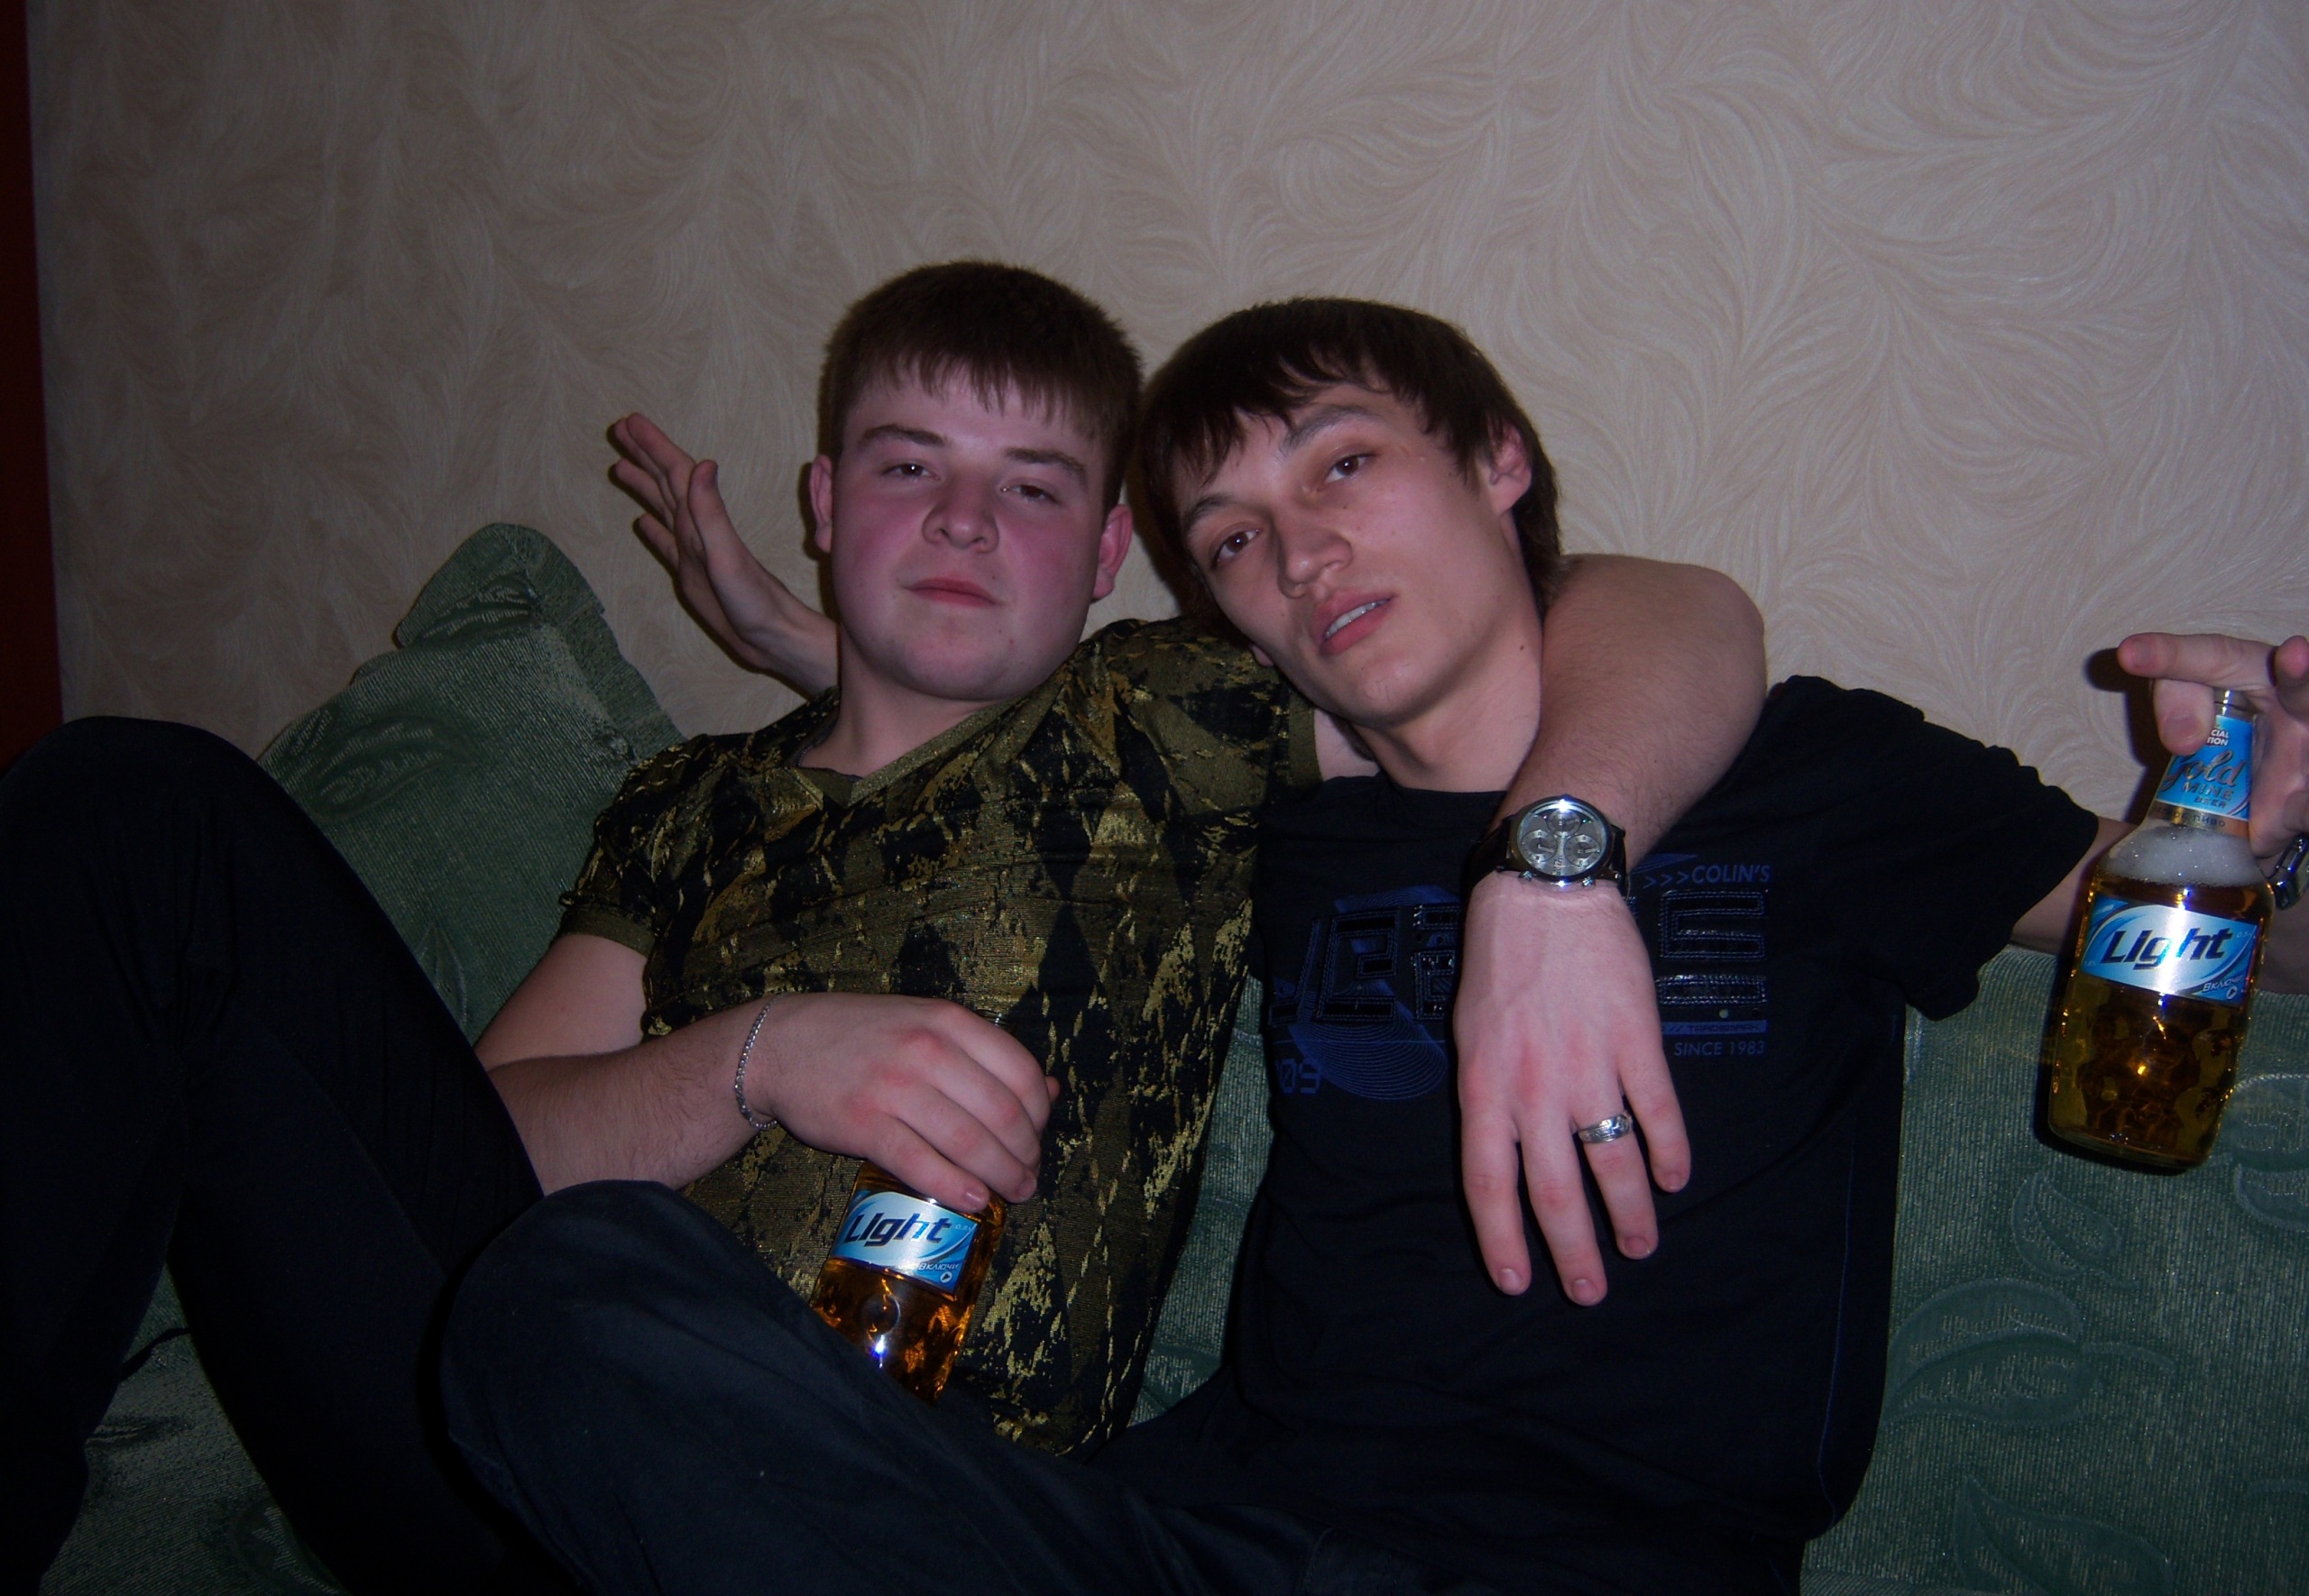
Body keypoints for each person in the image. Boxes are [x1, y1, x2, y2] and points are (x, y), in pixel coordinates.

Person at [438, 296, 2309, 1594]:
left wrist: (2261, 841)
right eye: (1234, 538)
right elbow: (975, 757)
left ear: (1498, 460)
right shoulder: (1266, 828)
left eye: (1340, 467)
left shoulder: (1813, 773)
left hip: (1600, 1564)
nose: (1301, 554)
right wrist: (809, 645)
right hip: (1183, 1533)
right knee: (562, 1302)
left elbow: (2207, 933)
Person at [0, 265, 1762, 1596]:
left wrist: (1555, 867)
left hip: (882, 1506)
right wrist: (756, 1058)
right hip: (499, 1406)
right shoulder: (689, 805)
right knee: (134, 810)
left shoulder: (1160, 721)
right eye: (911, 466)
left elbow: (1622, 608)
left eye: (1033, 486)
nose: (963, 520)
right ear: (827, 501)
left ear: (1108, 559)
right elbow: (477, 1156)